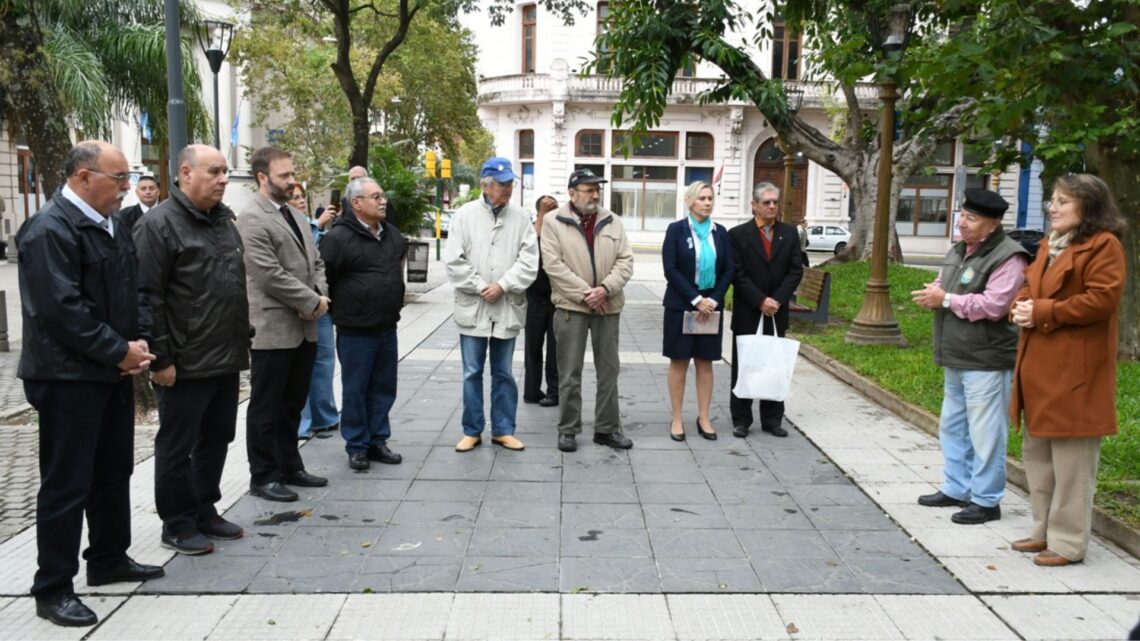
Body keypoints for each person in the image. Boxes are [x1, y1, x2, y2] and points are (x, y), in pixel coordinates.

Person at [17, 141, 163, 627]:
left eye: (127, 179)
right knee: (67, 484)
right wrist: (116, 350)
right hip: (67, 377)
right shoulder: (49, 229)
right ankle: (53, 587)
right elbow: (62, 311)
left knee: (112, 471)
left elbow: (135, 287)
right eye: (119, 179)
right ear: (83, 177)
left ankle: (108, 558)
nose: (126, 189)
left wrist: (137, 340)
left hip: (110, 370)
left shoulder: (112, 225)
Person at [134, 144, 251, 556]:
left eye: (225, 172)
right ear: (185, 173)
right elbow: (148, 297)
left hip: (225, 355)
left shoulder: (223, 221)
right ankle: (177, 521)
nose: (223, 179)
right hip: (183, 362)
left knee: (217, 437)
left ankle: (204, 508)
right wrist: (161, 360)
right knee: (177, 444)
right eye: (215, 171)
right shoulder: (160, 225)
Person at [1009, 173, 1127, 566]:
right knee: (1039, 461)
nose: (1052, 207)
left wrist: (1041, 311)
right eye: (1053, 200)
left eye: (1063, 201)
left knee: (1072, 466)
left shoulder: (1104, 246)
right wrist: (1023, 305)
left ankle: (1068, 543)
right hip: (1040, 370)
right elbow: (1031, 286)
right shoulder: (1050, 244)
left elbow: (1101, 301)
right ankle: (1043, 532)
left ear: (1088, 207)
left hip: (1076, 374)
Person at [911, 189, 1028, 524]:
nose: (962, 222)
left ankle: (987, 499)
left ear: (992, 225)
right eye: (962, 215)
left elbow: (995, 306)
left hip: (987, 359)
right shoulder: (960, 249)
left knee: (986, 432)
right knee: (954, 426)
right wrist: (934, 292)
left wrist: (946, 299)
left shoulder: (1009, 257)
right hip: (957, 354)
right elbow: (943, 282)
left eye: (971, 218)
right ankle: (957, 487)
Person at [237, 147, 331, 502]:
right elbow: (268, 274)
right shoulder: (251, 218)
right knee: (267, 407)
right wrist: (310, 301)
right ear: (263, 177)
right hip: (273, 330)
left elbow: (315, 261)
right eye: (284, 176)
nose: (292, 182)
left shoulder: (293, 213)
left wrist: (319, 297)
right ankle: (263, 475)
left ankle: (290, 464)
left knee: (293, 403)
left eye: (292, 174)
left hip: (306, 326)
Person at [445, 157, 538, 452]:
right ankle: (472, 429)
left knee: (504, 373)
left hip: (506, 306)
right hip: (474, 307)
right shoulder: (464, 215)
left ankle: (503, 429)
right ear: (486, 185)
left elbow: (530, 261)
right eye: (502, 184)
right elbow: (453, 260)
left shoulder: (522, 217)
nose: (508, 189)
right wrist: (481, 285)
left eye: (511, 183)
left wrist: (504, 284)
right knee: (472, 372)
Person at [542, 168, 635, 452]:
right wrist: (587, 295)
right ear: (572, 193)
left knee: (609, 371)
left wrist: (605, 289)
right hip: (572, 307)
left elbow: (626, 261)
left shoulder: (613, 221)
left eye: (597, 189)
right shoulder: (552, 221)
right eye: (588, 189)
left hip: (608, 306)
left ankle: (606, 429)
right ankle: (568, 429)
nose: (595, 194)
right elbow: (553, 266)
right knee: (569, 372)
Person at [319, 177, 407, 471]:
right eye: (375, 197)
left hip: (386, 327)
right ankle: (357, 445)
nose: (383, 201)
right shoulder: (337, 239)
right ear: (356, 203)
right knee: (356, 388)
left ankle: (377, 440)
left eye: (383, 196)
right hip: (355, 330)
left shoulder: (392, 235)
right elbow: (325, 278)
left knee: (384, 387)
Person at [728, 183, 804, 438]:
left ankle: (773, 420)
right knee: (745, 364)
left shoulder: (790, 233)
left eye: (775, 202)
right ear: (754, 205)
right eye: (766, 202)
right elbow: (737, 273)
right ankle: (741, 419)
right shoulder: (738, 234)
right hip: (748, 310)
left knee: (775, 363)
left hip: (776, 311)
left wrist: (777, 300)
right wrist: (760, 300)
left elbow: (796, 270)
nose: (772, 206)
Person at [662, 181, 734, 441]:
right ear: (690, 201)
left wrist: (712, 300)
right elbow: (670, 269)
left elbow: (728, 270)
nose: (707, 202)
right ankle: (677, 418)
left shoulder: (721, 232)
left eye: (710, 198)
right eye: (702, 198)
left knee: (705, 362)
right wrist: (695, 299)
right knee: (679, 362)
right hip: (681, 306)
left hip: (710, 309)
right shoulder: (676, 230)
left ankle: (704, 417)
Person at [292, 184, 340, 438]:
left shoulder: (311, 226)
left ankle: (325, 415)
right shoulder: (298, 226)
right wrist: (318, 224)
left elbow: (321, 262)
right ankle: (303, 421)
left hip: (321, 303)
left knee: (324, 361)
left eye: (302, 196)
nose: (300, 201)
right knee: (302, 365)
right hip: (296, 307)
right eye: (295, 197)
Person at [523, 194, 560, 408]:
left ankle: (554, 392)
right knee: (533, 347)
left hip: (556, 298)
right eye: (546, 210)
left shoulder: (558, 229)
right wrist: (543, 215)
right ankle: (531, 390)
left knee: (556, 350)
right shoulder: (531, 229)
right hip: (534, 299)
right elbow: (532, 246)